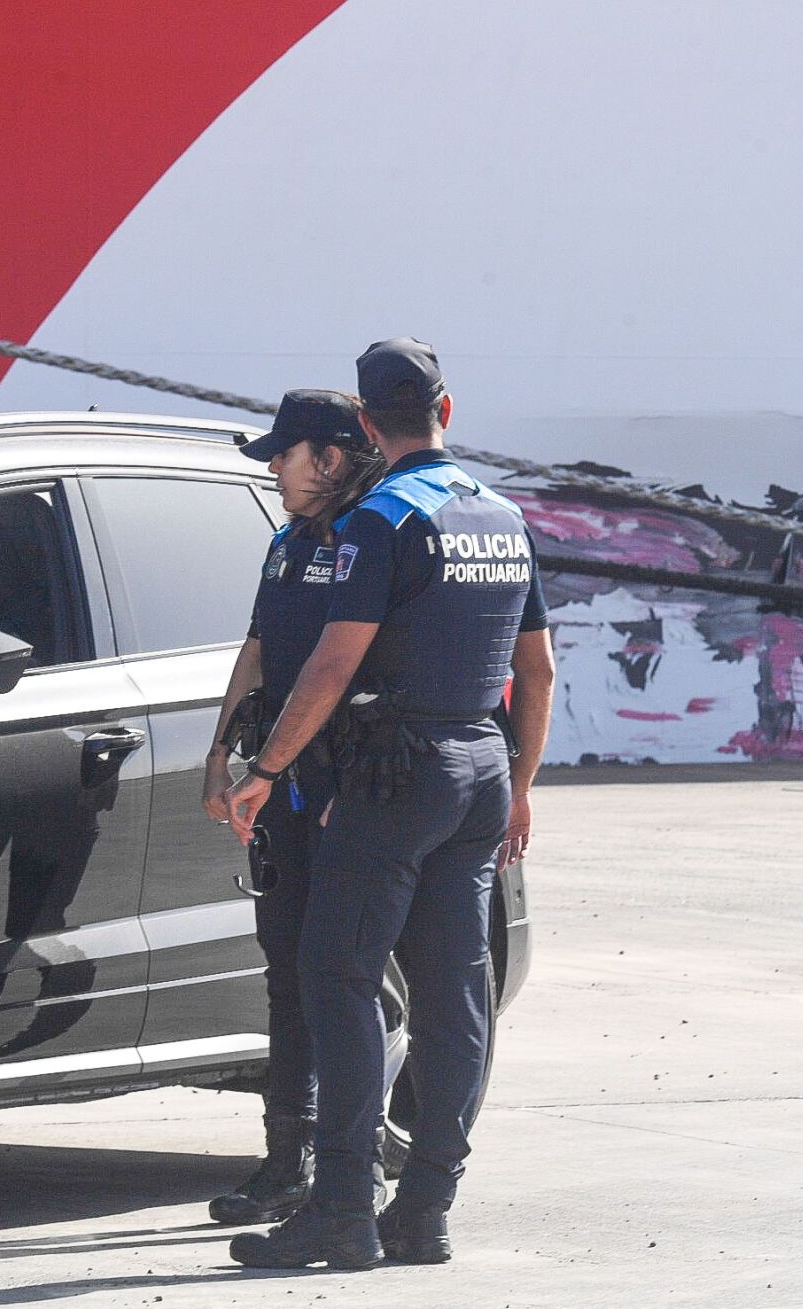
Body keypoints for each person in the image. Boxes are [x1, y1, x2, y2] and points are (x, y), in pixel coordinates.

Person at [223, 338, 556, 1270]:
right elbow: (537, 670)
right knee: (455, 995)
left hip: (395, 774)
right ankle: (426, 1209)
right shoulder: (502, 515)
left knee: (337, 976)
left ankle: (340, 1210)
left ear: (368, 425)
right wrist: (521, 785)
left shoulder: (381, 518)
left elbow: (334, 664)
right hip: (481, 767)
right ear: (446, 411)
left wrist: (266, 766)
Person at [202, 389, 386, 1228]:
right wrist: (220, 755)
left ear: (332, 458)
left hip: (352, 794)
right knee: (288, 972)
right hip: (280, 789)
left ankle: (358, 1163)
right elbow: (257, 652)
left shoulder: (373, 540)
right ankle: (287, 1161)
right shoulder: (286, 542)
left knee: (345, 976)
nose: (273, 468)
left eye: (285, 453)